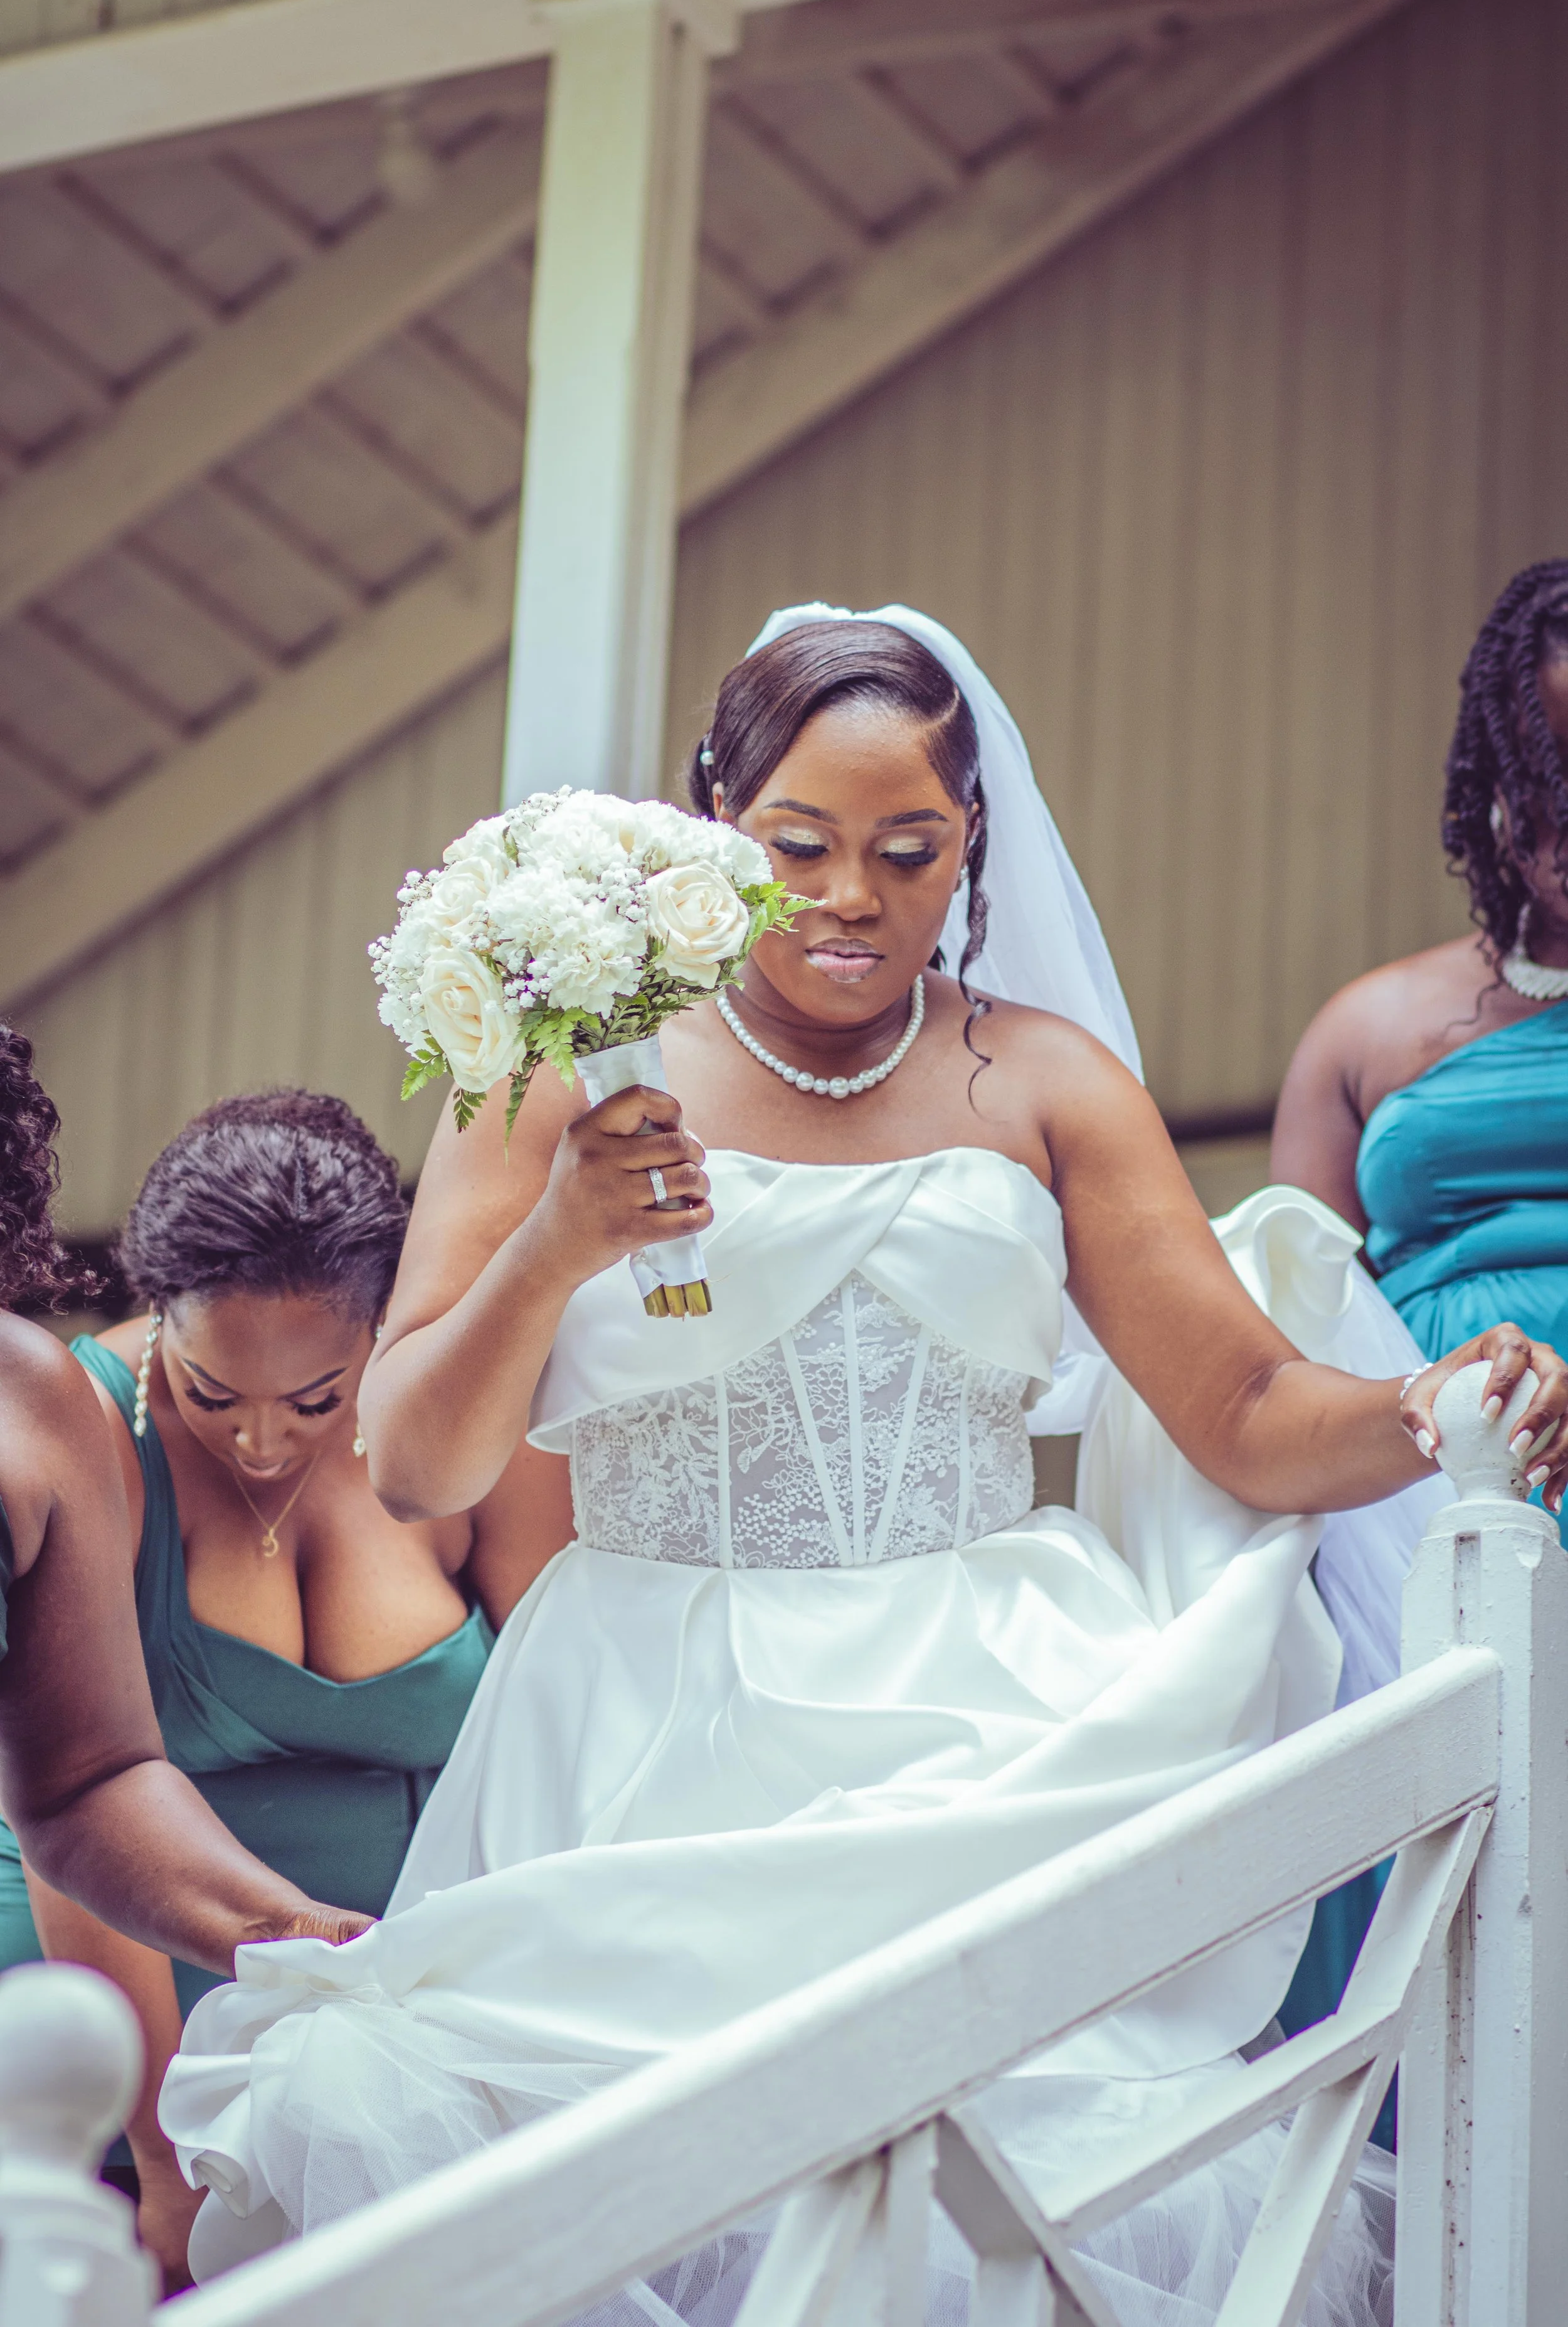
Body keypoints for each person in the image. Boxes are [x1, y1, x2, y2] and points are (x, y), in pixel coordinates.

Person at [162, 609, 1568, 2322]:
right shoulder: (557, 1073)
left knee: (1022, 2183)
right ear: (709, 831)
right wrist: (555, 1242)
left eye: (907, 852)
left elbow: (1245, 1407)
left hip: (987, 1709)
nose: (851, 897)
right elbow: (409, 1463)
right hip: (644, 1723)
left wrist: (1422, 1403)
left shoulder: (1043, 1081)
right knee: (594, 2171)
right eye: (797, 849)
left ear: (968, 842)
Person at [5, 1089, 556, 2286]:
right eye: (212, 1394)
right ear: (158, 1311)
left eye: (317, 1401)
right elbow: (76, 1808)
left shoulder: (458, 1424)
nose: (263, 1444)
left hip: (397, 2015)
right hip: (116, 2001)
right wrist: (163, 2157)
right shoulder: (79, 1424)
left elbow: (561, 1703)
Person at [0, 1030, 372, 2282]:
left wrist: (303, 1937)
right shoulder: (100, 1408)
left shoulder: (27, 1398)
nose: (266, 1441)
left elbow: (84, 1781)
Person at [1273, 558, 1568, 1361]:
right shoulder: (1364, 1029)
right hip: (1424, 1475)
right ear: (1497, 786)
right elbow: (1289, 1348)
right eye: (1551, 772)